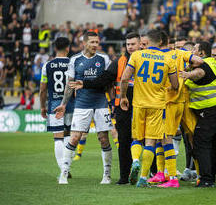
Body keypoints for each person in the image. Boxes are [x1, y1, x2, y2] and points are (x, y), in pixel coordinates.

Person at [69, 32, 141, 184]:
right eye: (128, 44)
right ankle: (124, 177)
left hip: (144, 104)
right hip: (123, 106)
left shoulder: (147, 59)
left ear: (140, 44)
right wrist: (85, 83)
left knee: (148, 139)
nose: (130, 47)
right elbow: (105, 78)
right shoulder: (120, 61)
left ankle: (151, 174)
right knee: (123, 140)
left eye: (133, 44)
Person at [120, 29, 179, 187]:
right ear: (160, 42)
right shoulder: (168, 59)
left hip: (139, 103)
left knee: (136, 139)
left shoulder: (137, 55)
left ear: (146, 41)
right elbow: (175, 85)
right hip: (158, 105)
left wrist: (123, 96)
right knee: (150, 142)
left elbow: (125, 78)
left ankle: (136, 160)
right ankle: (143, 178)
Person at [55, 31, 113, 185]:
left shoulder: (104, 59)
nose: (95, 45)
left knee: (103, 139)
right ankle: (64, 173)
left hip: (100, 103)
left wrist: (112, 103)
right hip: (82, 104)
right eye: (92, 42)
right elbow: (70, 84)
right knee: (74, 137)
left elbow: (109, 83)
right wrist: (63, 104)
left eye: (97, 42)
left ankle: (107, 174)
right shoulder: (74, 60)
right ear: (84, 43)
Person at [147, 32, 203, 188]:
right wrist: (189, 67)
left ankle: (169, 176)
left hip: (169, 101)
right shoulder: (180, 54)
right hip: (185, 99)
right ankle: (200, 175)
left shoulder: (157, 57)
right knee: (193, 138)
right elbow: (199, 61)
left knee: (163, 137)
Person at [179, 41, 216, 187]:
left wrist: (186, 74)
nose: (192, 53)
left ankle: (206, 179)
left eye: (195, 50)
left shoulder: (203, 66)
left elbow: (199, 73)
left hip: (209, 113)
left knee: (200, 144)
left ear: (202, 53)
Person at [39, 37, 74, 177]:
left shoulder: (47, 65)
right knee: (68, 136)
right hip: (71, 104)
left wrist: (43, 106)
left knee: (57, 137)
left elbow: (42, 89)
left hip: (54, 104)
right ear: (68, 48)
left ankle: (62, 170)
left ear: (55, 48)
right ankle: (66, 167)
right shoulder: (73, 63)